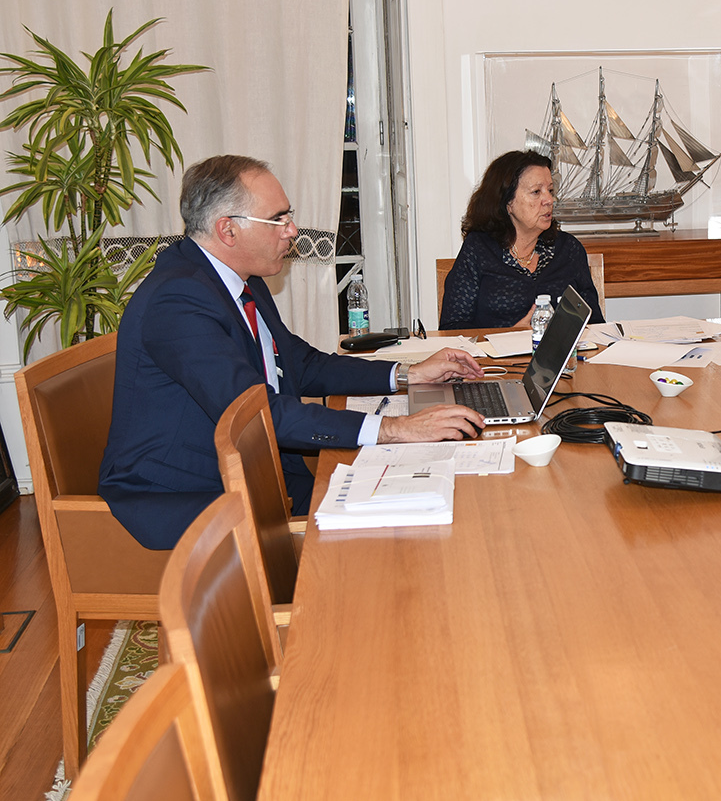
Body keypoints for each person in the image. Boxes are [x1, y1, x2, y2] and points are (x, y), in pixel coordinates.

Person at [100, 155, 487, 550]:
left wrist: (407, 374)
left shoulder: (238, 276)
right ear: (227, 230)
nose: (293, 230)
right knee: (395, 538)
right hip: (192, 496)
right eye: (278, 219)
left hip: (262, 472)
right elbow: (255, 414)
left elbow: (297, 363)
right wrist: (396, 429)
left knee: (431, 502)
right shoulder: (178, 300)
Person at [439, 150, 605, 330]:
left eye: (550, 190)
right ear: (508, 202)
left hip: (560, 349)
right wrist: (510, 335)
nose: (549, 200)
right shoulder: (479, 249)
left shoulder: (569, 249)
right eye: (536, 192)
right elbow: (452, 328)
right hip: (494, 349)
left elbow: (595, 324)